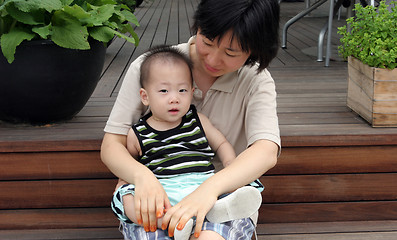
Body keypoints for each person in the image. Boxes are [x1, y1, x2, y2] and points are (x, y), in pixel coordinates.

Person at [101, 0, 281, 239]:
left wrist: (209, 189)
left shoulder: (256, 80)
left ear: (256, 50)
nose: (213, 60)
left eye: (230, 53)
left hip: (221, 199)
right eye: (207, 42)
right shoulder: (152, 68)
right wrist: (141, 176)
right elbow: (112, 145)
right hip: (158, 194)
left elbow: (266, 150)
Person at [110, 45, 263, 240]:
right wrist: (125, 180)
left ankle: (221, 208)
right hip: (162, 194)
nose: (174, 98)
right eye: (164, 91)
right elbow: (128, 161)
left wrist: (230, 163)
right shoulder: (137, 133)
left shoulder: (198, 121)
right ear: (145, 96)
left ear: (192, 92)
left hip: (201, 186)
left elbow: (221, 143)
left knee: (241, 183)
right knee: (125, 196)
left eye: (182, 90)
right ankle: (166, 221)